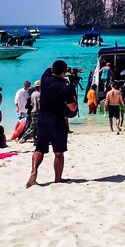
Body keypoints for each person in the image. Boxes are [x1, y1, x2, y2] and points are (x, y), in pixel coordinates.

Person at [27, 60, 78, 188]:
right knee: (59, 153)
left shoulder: (44, 79)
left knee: (39, 149)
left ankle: (34, 171)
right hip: (58, 122)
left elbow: (50, 67)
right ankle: (57, 179)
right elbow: (72, 107)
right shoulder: (64, 87)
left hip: (42, 121)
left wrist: (67, 69)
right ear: (63, 73)